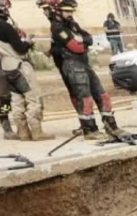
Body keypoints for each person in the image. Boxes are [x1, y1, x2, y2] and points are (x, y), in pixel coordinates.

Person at [45, 0, 117, 139]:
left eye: (71, 11)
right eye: (67, 11)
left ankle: (111, 126)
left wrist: (81, 41)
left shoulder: (72, 24)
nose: (70, 14)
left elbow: (89, 38)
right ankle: (89, 129)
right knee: (84, 98)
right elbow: (76, 47)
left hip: (83, 63)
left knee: (102, 95)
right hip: (72, 65)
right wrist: (81, 42)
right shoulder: (57, 27)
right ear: (58, 11)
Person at [0, 0, 45, 141]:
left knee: (13, 99)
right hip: (0, 67)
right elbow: (19, 48)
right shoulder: (3, 25)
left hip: (3, 65)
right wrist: (26, 42)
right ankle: (8, 128)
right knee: (4, 99)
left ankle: (19, 130)